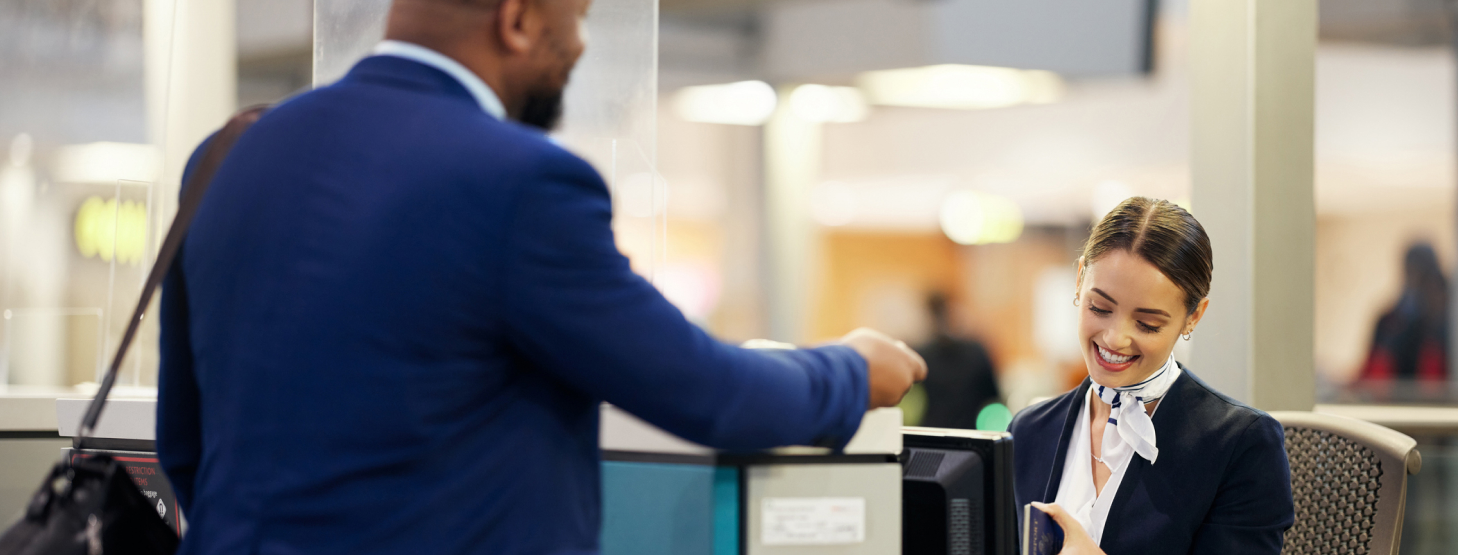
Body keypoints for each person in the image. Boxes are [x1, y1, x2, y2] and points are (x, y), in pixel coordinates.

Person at [153, 0, 927, 553]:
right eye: (578, 20)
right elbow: (711, 392)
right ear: (517, 20)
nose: (582, 46)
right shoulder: (519, 182)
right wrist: (852, 368)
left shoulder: (229, 156)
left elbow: (184, 440)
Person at [1008, 197, 1293, 554]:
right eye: (1099, 307)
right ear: (1080, 279)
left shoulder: (1240, 446)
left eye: (1147, 323)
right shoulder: (1029, 431)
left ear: (1193, 316)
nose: (1115, 338)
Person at [1359, 242, 1449, 385]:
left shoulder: (1447, 324)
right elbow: (1371, 373)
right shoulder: (1388, 321)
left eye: (1422, 272)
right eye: (1411, 270)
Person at [915, 292, 1000, 429]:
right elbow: (993, 397)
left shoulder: (920, 356)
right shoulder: (977, 350)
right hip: (972, 436)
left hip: (932, 434)